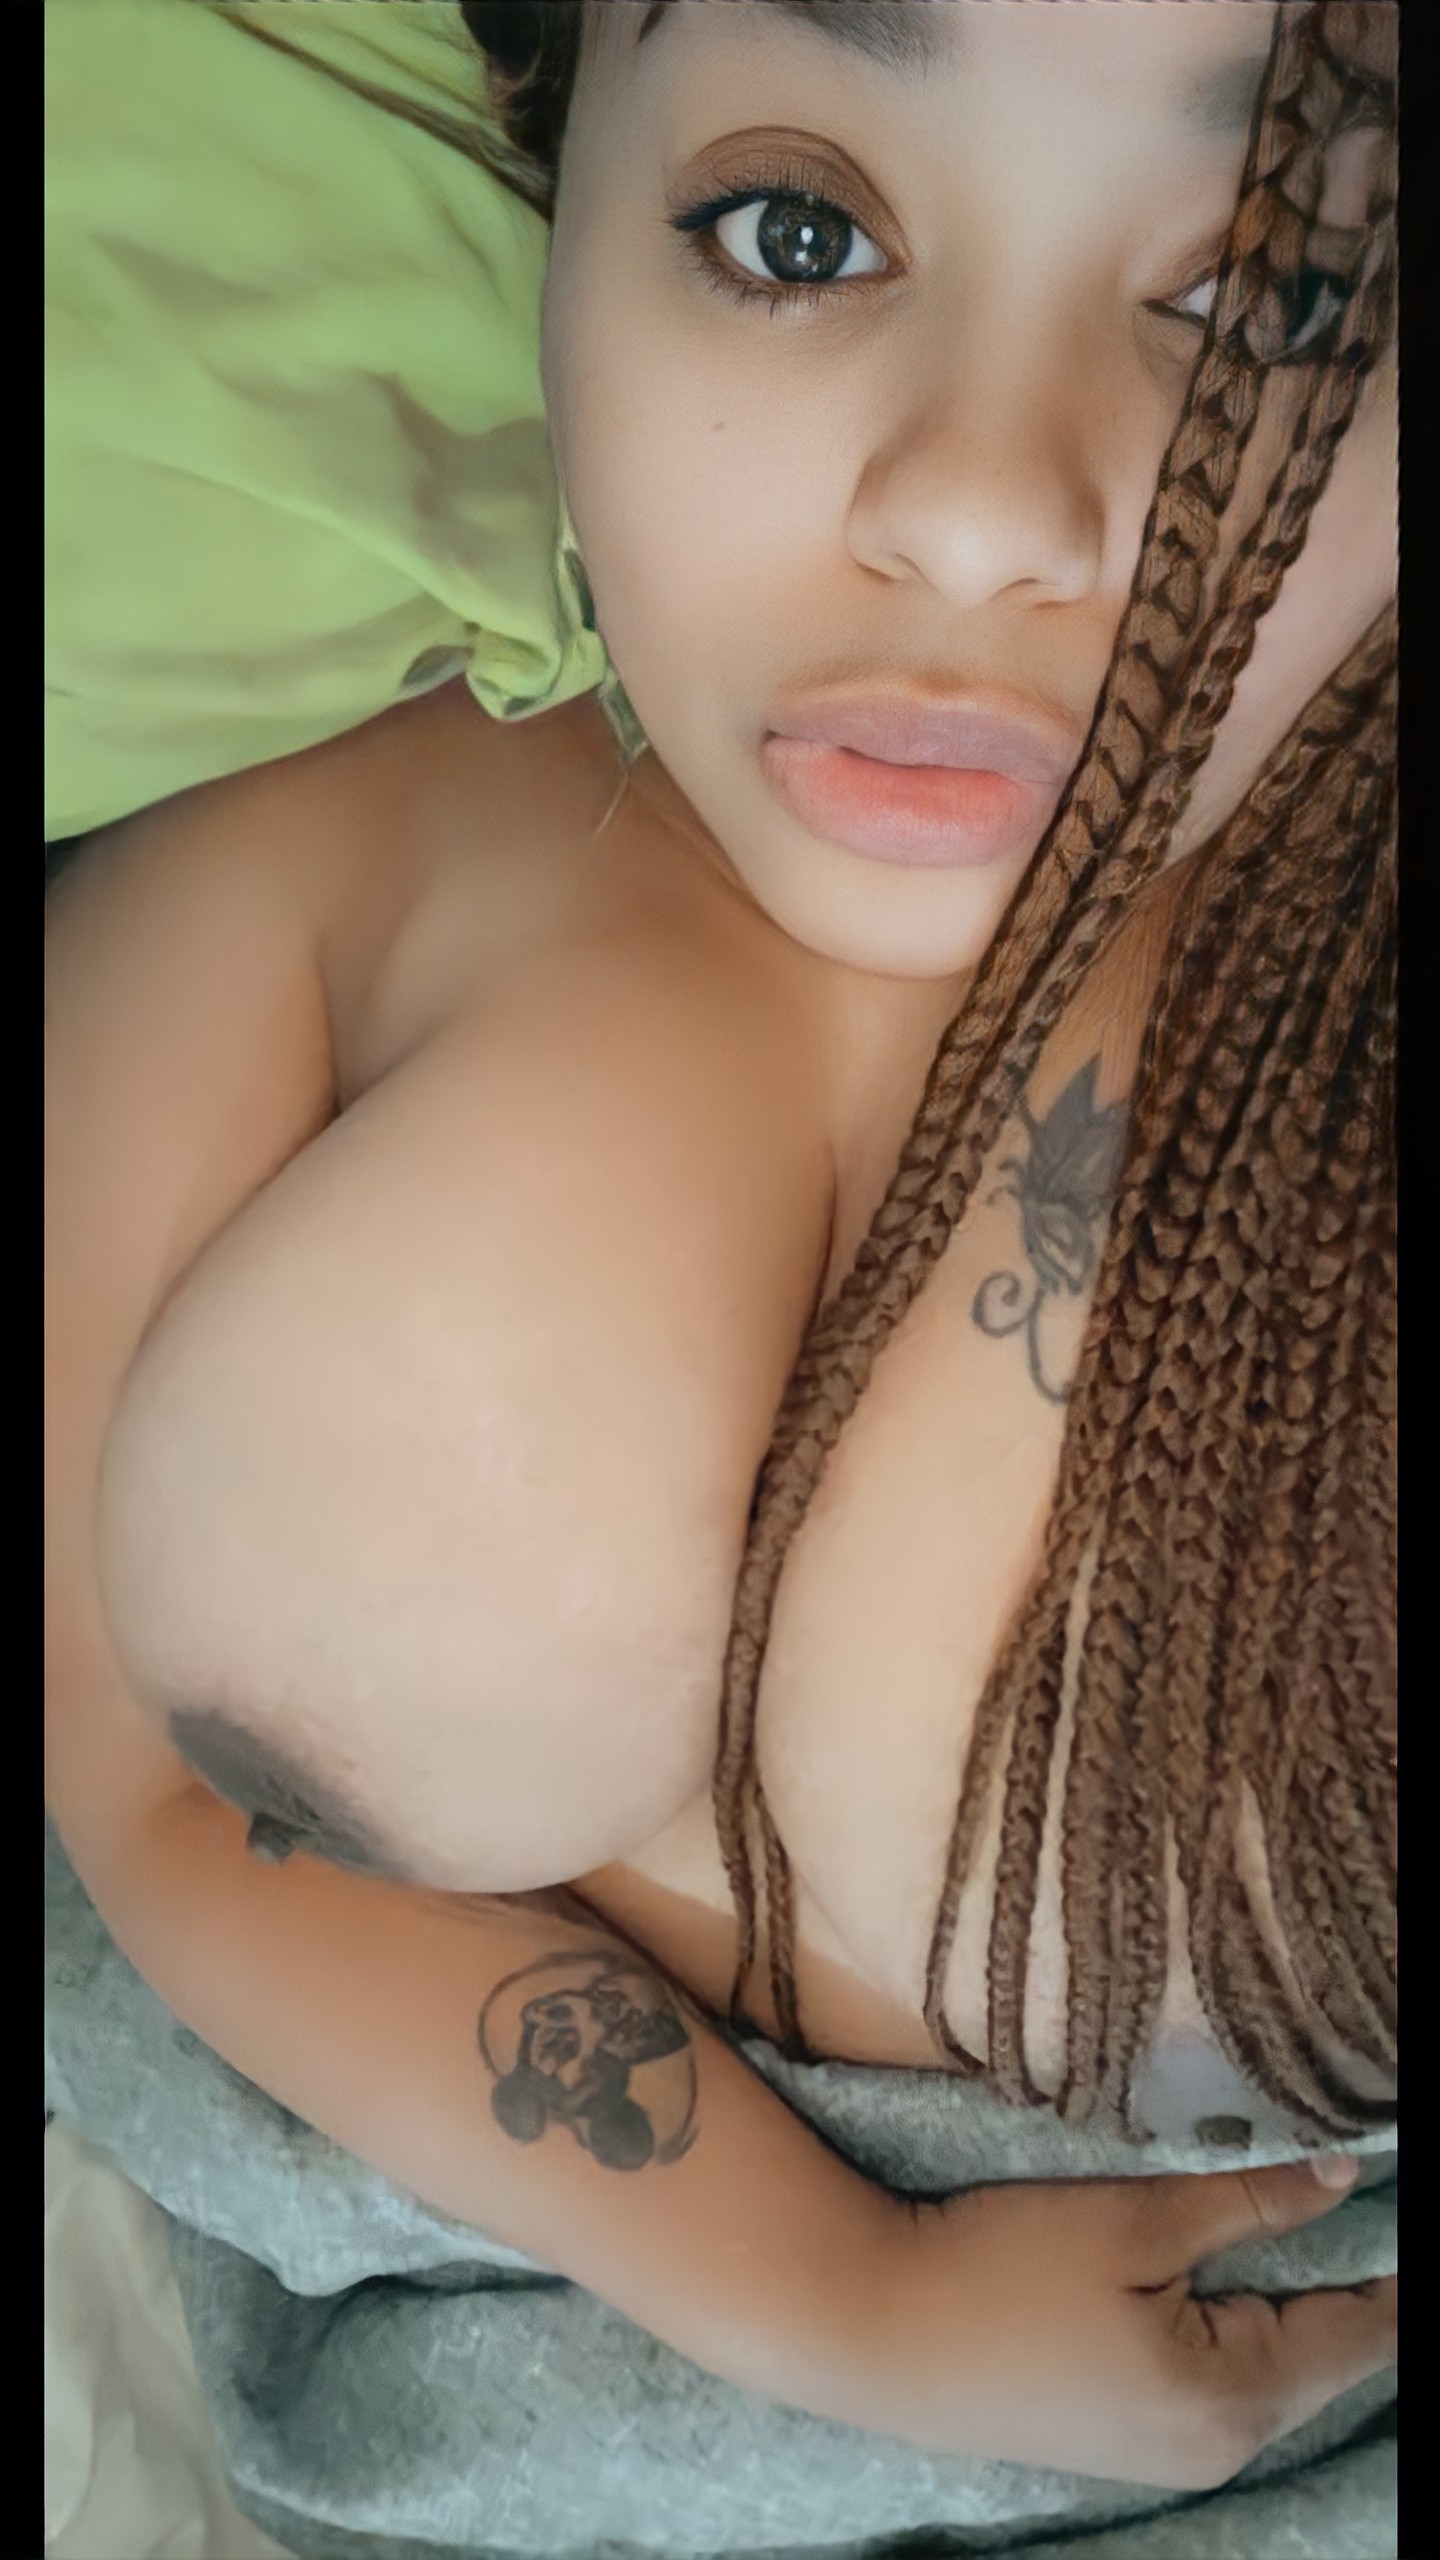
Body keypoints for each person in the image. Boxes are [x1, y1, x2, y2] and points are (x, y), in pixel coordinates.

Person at [45, 0, 1396, 2539]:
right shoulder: (291, 884)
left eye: (1284, 302)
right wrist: (842, 2297)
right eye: (796, 232)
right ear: (555, 157)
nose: (987, 513)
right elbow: (133, 1784)